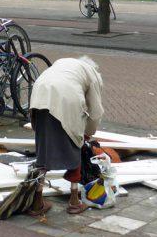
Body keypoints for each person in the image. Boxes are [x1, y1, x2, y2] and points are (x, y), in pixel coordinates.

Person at [28, 56, 104, 216]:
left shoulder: (65, 63)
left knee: (44, 151)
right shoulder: (93, 75)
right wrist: (86, 134)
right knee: (75, 143)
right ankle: (74, 201)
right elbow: (96, 112)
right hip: (66, 96)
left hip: (40, 92)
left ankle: (37, 201)